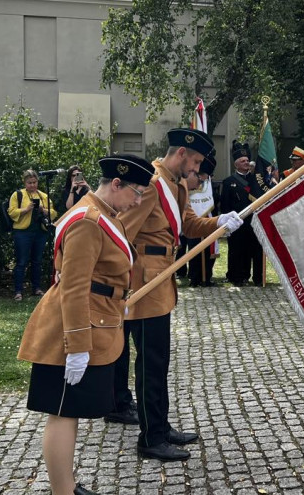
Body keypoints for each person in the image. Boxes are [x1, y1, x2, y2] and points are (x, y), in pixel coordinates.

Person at [17, 154, 154, 495]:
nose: (139, 201)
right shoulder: (89, 221)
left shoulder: (106, 214)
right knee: (62, 412)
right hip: (70, 331)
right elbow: (75, 286)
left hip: (94, 320)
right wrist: (77, 346)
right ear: (117, 184)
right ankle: (61, 491)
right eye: (136, 193)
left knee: (70, 411)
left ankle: (66, 485)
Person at [105, 128, 243, 462]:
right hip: (146, 284)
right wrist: (127, 279)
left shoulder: (175, 184)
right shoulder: (151, 184)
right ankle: (151, 437)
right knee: (151, 363)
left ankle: (161, 427)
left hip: (161, 280)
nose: (196, 170)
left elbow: (187, 225)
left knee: (159, 361)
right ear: (181, 153)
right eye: (195, 161)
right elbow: (121, 232)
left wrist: (220, 222)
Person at [8, 169, 57, 301]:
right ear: (24, 182)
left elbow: (53, 213)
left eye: (34, 182)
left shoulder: (43, 196)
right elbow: (11, 213)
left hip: (40, 232)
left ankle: (36, 288)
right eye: (29, 183)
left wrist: (43, 209)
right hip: (22, 232)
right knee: (21, 262)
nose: (32, 185)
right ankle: (18, 291)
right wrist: (26, 209)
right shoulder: (17, 195)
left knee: (37, 261)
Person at [221, 141, 265, 286]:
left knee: (254, 250)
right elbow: (225, 204)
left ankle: (257, 278)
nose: (246, 163)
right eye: (243, 161)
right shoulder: (228, 182)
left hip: (253, 222)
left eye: (247, 160)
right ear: (236, 164)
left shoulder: (256, 181)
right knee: (237, 250)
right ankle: (236, 277)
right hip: (237, 222)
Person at [187, 150, 220, 287]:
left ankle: (207, 277)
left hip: (208, 218)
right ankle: (195, 278)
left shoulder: (210, 184)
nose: (205, 178)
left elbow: (215, 200)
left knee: (208, 251)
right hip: (193, 219)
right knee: (194, 250)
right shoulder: (188, 181)